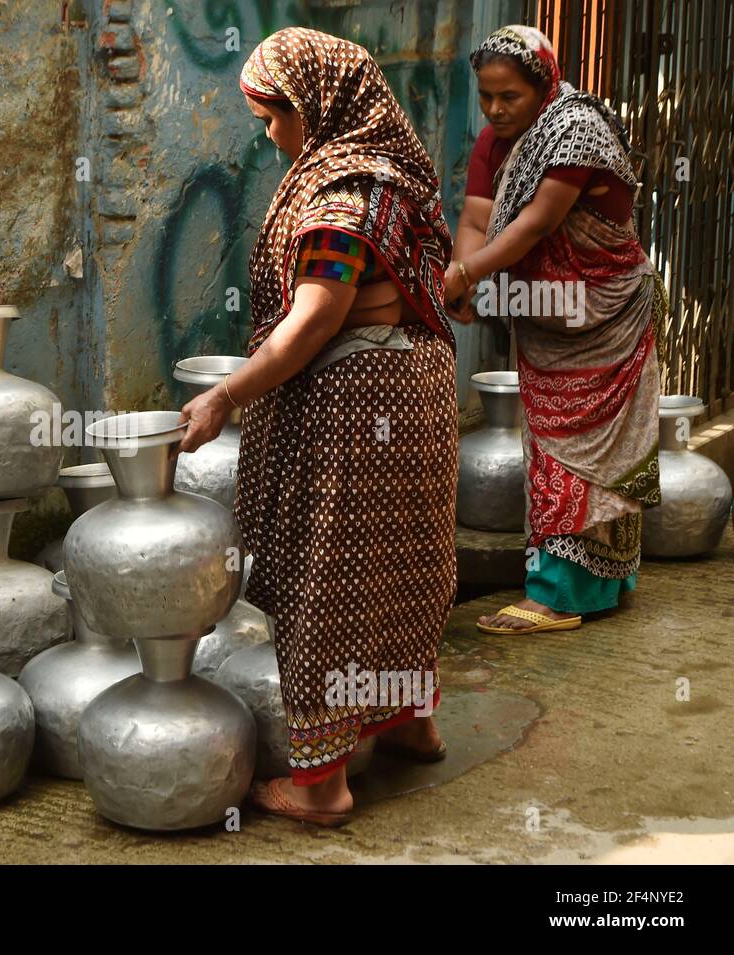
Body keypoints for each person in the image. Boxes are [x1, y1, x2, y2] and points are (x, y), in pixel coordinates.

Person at [178, 27, 458, 827]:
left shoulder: (339, 197)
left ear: (319, 104)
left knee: (325, 577)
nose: (270, 133)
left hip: (356, 399)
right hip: (419, 391)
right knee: (403, 561)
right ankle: (412, 723)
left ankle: (320, 785)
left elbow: (313, 321)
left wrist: (226, 395)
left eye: (275, 115)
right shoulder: (395, 167)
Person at [447, 25, 662, 635]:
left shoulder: (574, 131)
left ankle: (560, 595)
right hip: (546, 315)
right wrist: (465, 278)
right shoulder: (497, 141)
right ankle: (590, 587)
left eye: (508, 96)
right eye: (485, 96)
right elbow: (477, 217)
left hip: (604, 314)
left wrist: (466, 273)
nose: (493, 110)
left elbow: (537, 224)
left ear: (542, 85)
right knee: (552, 445)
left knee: (581, 454)